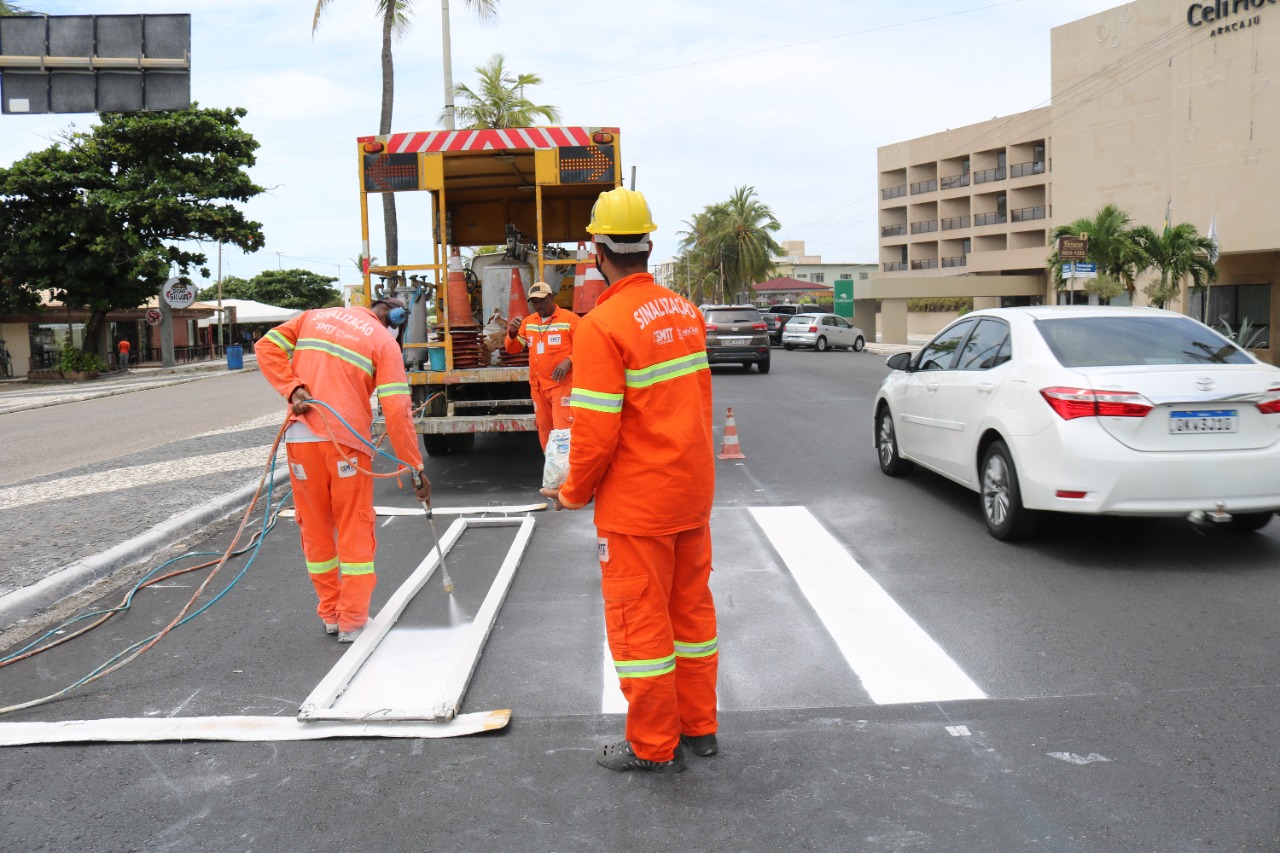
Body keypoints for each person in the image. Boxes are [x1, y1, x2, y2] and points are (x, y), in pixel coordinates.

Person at [540, 187, 718, 773]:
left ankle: (652, 744)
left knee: (639, 625)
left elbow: (594, 432)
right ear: (647, 242)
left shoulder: (602, 325)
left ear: (597, 249)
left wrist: (571, 492)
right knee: (690, 617)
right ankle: (699, 728)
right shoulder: (684, 310)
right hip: (690, 493)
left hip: (638, 506)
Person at [254, 297, 431, 642]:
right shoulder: (383, 342)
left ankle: (331, 614)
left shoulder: (314, 315)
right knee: (354, 524)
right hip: (346, 444)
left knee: (315, 527)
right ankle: (352, 620)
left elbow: (265, 346)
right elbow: (396, 411)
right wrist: (414, 467)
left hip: (300, 440)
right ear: (395, 320)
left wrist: (292, 388)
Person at [505, 281, 579, 450]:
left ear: (552, 297)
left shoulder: (570, 319)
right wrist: (512, 333)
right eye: (535, 302)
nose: (538, 305)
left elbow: (586, 347)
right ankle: (552, 470)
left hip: (561, 386)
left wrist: (569, 361)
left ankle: (566, 474)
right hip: (538, 388)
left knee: (563, 431)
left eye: (542, 300)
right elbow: (513, 348)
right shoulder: (529, 322)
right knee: (544, 430)